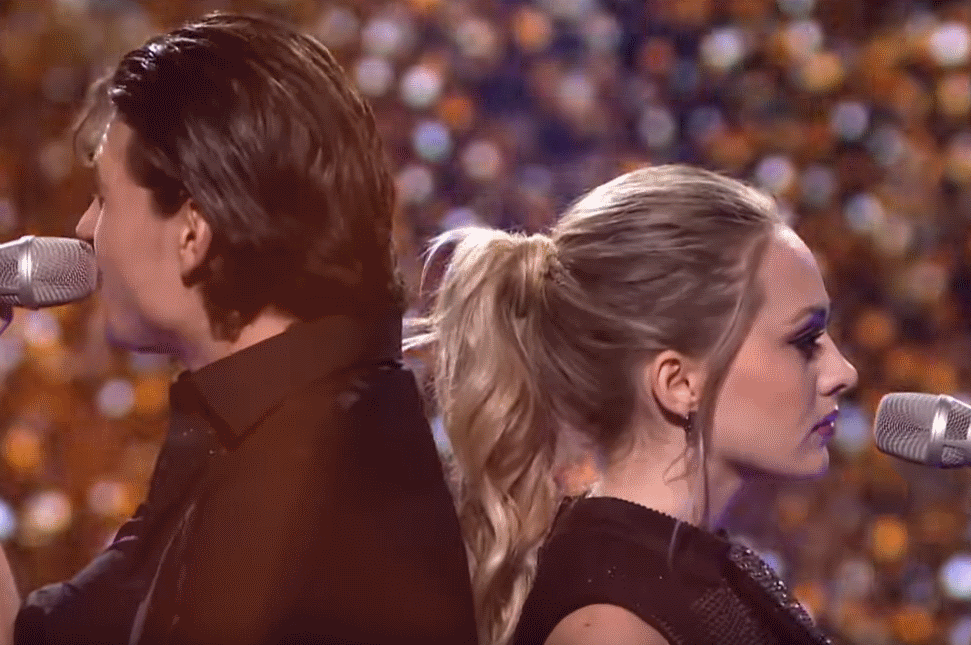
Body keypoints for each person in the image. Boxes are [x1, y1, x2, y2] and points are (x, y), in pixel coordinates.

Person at [0, 12, 478, 645]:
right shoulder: (260, 426)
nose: (85, 228)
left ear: (193, 233)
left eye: (105, 198)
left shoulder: (311, 482)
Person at [406, 164, 861, 645]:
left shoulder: (691, 569)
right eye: (804, 340)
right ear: (678, 383)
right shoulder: (612, 626)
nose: (844, 372)